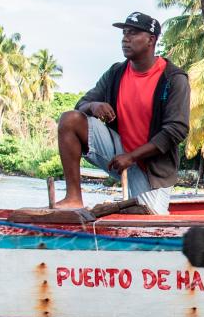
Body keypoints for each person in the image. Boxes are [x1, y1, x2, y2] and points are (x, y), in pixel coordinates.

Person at [55, 12, 189, 215]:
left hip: (151, 168)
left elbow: (176, 130)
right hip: (118, 151)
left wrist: (132, 157)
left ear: (151, 40)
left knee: (148, 221)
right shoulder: (116, 72)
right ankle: (73, 197)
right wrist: (94, 106)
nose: (125, 39)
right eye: (124, 33)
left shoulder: (173, 78)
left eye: (133, 33)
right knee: (70, 119)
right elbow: (81, 104)